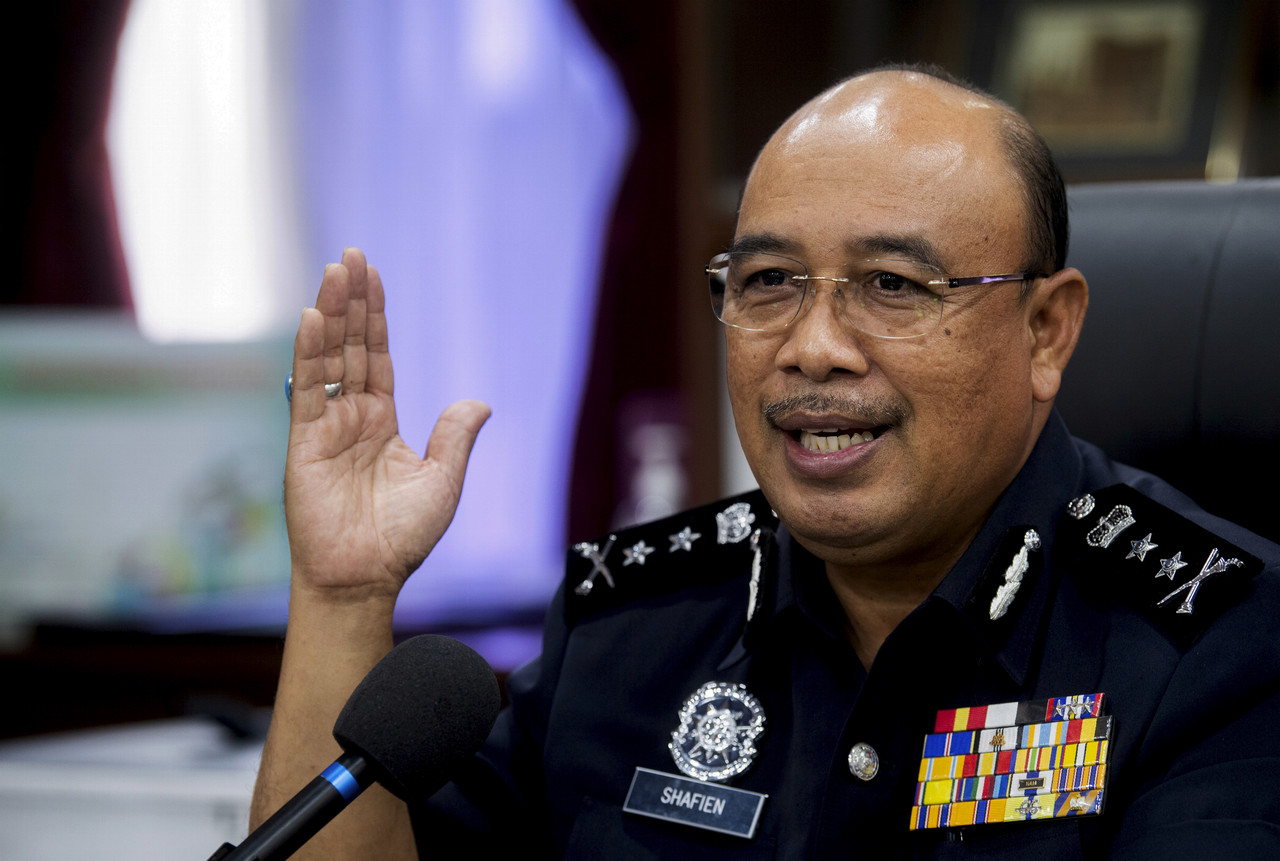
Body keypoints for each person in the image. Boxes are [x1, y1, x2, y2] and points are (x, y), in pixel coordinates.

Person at [250, 66, 1280, 858]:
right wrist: (344, 594)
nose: (811, 344)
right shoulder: (632, 624)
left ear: (1045, 331)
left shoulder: (1216, 645)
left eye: (890, 284)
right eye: (769, 281)